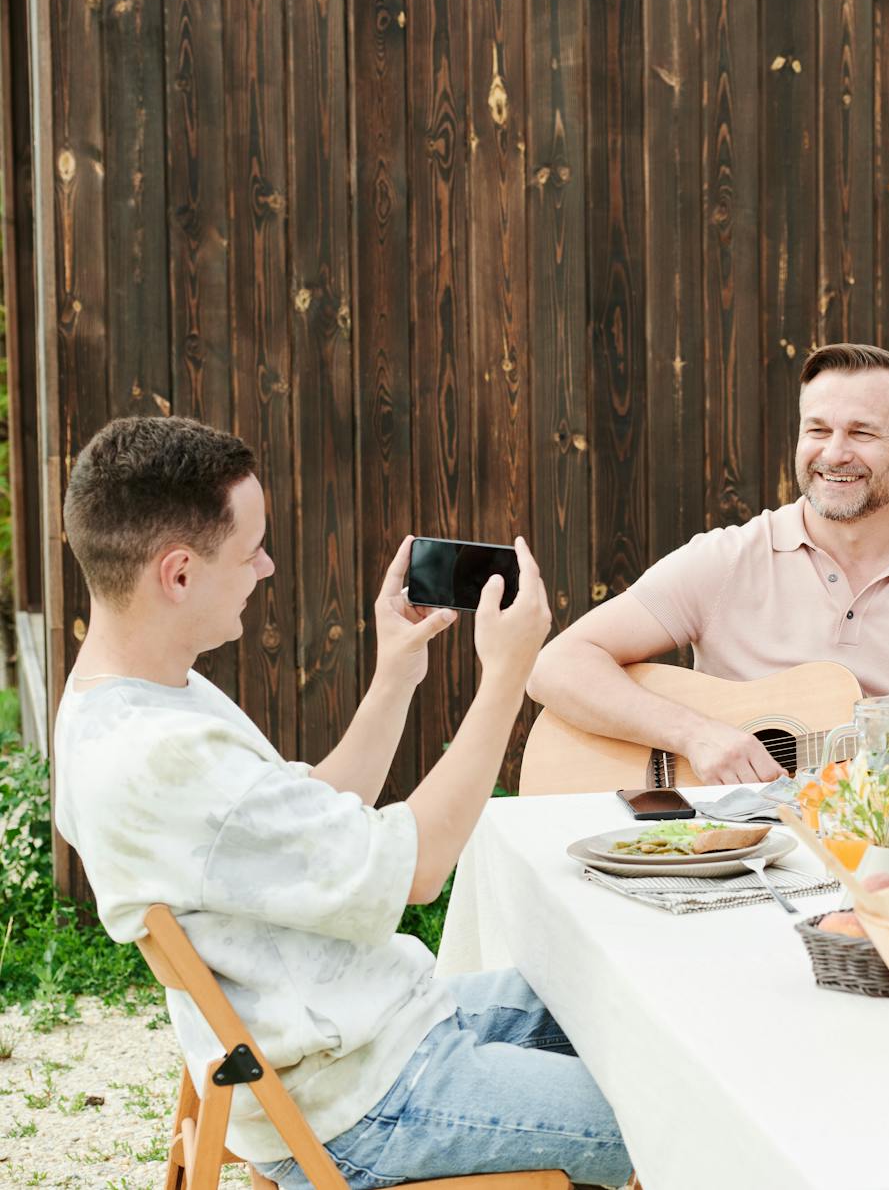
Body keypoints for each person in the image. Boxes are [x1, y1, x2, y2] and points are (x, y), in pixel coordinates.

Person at [51, 417, 632, 1189]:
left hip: (383, 1030)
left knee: (636, 1007)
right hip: (366, 1098)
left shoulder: (142, 697)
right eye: (250, 547)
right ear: (180, 573)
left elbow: (309, 809)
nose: (266, 565)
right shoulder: (159, 756)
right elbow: (420, 867)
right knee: (673, 1115)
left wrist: (395, 674)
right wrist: (504, 679)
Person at [529, 343, 889, 783]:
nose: (834, 454)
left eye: (862, 432)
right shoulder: (727, 558)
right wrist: (696, 734)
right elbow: (554, 668)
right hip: (735, 848)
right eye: (817, 429)